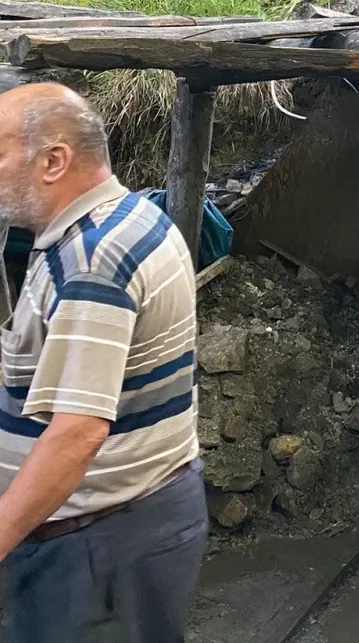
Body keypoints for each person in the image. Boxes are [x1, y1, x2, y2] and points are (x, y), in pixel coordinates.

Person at [0, 83, 205, 643]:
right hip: (131, 524)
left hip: (98, 547)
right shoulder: (128, 217)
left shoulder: (92, 262)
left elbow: (77, 434)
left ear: (52, 160)